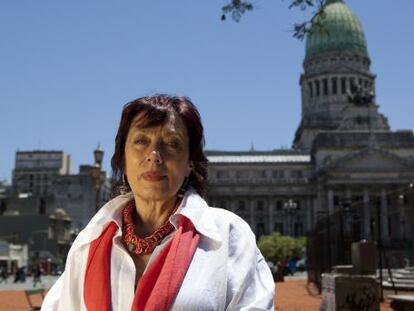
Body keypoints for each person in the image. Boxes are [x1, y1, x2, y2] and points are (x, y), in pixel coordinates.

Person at [42, 94, 275, 310]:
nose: (154, 155)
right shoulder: (88, 242)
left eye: (172, 143)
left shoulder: (228, 235)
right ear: (122, 159)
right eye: (141, 141)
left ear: (190, 164)